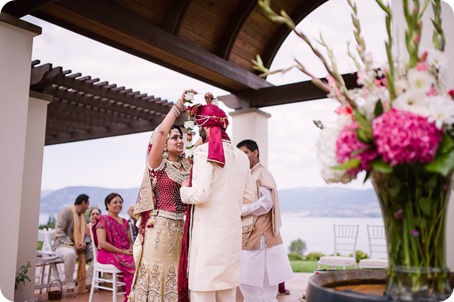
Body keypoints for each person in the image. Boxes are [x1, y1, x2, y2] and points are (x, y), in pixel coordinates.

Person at [180, 94, 256, 302]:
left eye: (198, 128)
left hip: (207, 242)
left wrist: (183, 190)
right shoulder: (241, 157)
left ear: (205, 127)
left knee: (203, 295)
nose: (198, 133)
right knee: (227, 295)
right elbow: (249, 197)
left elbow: (200, 194)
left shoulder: (204, 152)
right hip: (230, 240)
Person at [129, 89, 192, 301]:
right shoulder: (157, 163)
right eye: (175, 137)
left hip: (182, 229)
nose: (180, 141)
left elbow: (199, 140)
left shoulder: (186, 164)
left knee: (179, 274)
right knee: (158, 276)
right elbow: (162, 132)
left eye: (181, 137)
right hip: (160, 229)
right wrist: (179, 105)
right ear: (163, 145)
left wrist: (197, 113)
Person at [236, 139, 293, 301]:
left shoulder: (262, 173)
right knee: (249, 278)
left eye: (245, 153)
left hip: (260, 233)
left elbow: (266, 204)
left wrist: (242, 211)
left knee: (255, 278)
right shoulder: (249, 174)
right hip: (250, 232)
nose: (243, 157)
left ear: (255, 152)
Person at [93, 192, 135, 302]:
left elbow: (130, 240)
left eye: (120, 202)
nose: (118, 204)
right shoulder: (103, 220)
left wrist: (129, 250)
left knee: (141, 262)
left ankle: (135, 296)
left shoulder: (125, 222)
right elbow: (102, 244)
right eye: (115, 202)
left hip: (123, 253)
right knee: (133, 266)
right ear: (107, 205)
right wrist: (123, 252)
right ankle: (130, 298)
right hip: (106, 254)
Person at [53, 193, 93, 296]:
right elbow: (59, 231)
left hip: (78, 247)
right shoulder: (66, 211)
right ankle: (70, 287)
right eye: (87, 204)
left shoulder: (82, 218)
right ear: (83, 203)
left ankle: (87, 281)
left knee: (97, 253)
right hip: (63, 246)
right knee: (70, 253)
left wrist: (84, 242)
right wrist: (72, 244)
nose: (88, 207)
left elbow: (85, 236)